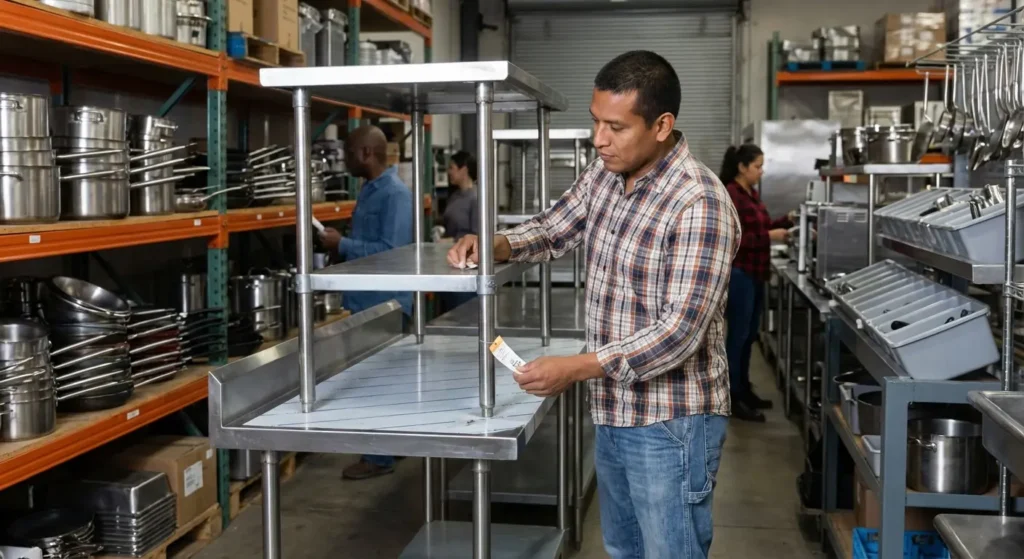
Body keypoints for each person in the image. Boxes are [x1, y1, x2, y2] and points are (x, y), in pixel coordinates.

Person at [448, 50, 740, 559]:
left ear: (662, 125)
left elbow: (679, 332)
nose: (598, 139)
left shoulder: (699, 203)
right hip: (613, 408)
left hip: (669, 423)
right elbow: (556, 225)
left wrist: (577, 367)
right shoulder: (606, 172)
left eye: (615, 126)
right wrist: (495, 244)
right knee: (623, 549)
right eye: (594, 122)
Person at [319, 124, 412, 480]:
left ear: (366, 154)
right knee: (378, 381)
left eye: (348, 153)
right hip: (366, 302)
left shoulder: (394, 194)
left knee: (375, 385)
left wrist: (342, 244)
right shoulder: (370, 191)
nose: (344, 160)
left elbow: (393, 252)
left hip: (384, 305)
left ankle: (378, 459)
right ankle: (391, 447)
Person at [720, 143, 793, 423]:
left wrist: (787, 221)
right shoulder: (732, 195)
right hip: (740, 275)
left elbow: (760, 227)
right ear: (742, 167)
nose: (761, 172)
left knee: (749, 336)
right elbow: (734, 240)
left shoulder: (750, 193)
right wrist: (770, 238)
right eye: (758, 166)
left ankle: (743, 390)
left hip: (756, 274)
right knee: (737, 338)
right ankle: (733, 397)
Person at [438, 151, 479, 313]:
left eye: (452, 167)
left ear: (464, 169)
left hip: (466, 267)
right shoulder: (454, 196)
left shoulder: (476, 198)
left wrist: (451, 241)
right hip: (450, 262)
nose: (449, 172)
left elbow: (477, 236)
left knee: (465, 315)